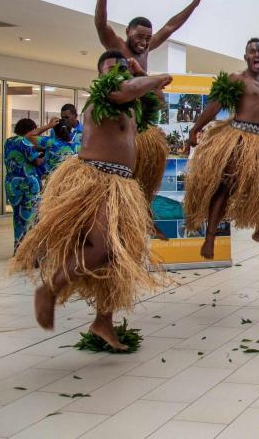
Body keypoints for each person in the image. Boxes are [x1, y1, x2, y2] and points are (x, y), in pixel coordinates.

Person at [11, 51, 171, 350]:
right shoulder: (105, 96)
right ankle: (50, 289)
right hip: (95, 180)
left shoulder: (132, 105)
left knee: (115, 257)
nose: (118, 74)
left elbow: (158, 102)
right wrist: (154, 77)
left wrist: (142, 75)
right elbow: (126, 89)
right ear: (100, 76)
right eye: (112, 69)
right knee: (102, 246)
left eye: (123, 69)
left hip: (121, 185)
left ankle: (103, 321)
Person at [183, 5, 259, 259]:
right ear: (246, 57)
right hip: (238, 139)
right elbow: (214, 105)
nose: (258, 54)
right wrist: (195, 129)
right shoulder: (237, 79)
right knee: (226, 186)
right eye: (253, 51)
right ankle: (210, 238)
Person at [90, 0, 197, 235]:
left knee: (147, 176)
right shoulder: (118, 47)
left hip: (141, 117)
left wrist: (193, 5)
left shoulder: (147, 47)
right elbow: (101, 26)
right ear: (127, 32)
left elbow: (171, 26)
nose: (144, 42)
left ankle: (145, 218)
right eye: (139, 36)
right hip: (122, 111)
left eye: (147, 38)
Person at [4, 118, 55, 250]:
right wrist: (46, 156)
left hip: (11, 185)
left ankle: (19, 248)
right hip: (27, 184)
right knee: (32, 217)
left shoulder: (9, 141)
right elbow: (36, 161)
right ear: (31, 130)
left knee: (18, 217)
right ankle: (31, 252)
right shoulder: (24, 142)